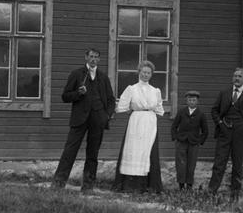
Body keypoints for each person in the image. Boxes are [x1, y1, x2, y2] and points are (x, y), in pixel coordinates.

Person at [53, 48, 116, 192]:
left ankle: (88, 186)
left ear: (99, 60)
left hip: (98, 119)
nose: (93, 59)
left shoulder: (103, 77)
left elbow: (111, 100)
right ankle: (58, 184)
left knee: (93, 153)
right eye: (91, 56)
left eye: (96, 57)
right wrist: (78, 93)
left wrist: (106, 115)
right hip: (79, 119)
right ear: (86, 57)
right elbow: (65, 96)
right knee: (69, 151)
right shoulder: (77, 74)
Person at [112, 60, 165, 193]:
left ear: (151, 74)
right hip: (136, 122)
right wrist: (132, 109)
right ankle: (131, 186)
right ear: (139, 72)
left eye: (148, 73)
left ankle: (150, 186)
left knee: (148, 151)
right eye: (143, 72)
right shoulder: (132, 89)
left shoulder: (155, 91)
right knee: (134, 150)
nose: (146, 75)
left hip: (150, 123)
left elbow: (159, 109)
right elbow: (121, 107)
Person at [208, 67, 243, 200]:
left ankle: (235, 195)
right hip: (224, 131)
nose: (237, 78)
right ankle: (211, 192)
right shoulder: (224, 93)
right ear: (232, 78)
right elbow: (214, 110)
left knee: (237, 164)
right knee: (219, 163)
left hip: (240, 132)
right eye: (235, 76)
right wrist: (220, 123)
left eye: (239, 76)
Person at [170, 90, 209, 189]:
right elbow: (174, 126)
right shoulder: (181, 112)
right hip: (181, 141)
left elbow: (205, 131)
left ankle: (189, 186)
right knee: (181, 164)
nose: (192, 102)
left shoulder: (201, 114)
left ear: (197, 101)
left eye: (194, 100)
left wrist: (200, 141)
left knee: (191, 164)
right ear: (187, 101)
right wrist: (175, 138)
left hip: (194, 143)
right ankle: (181, 185)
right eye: (190, 100)